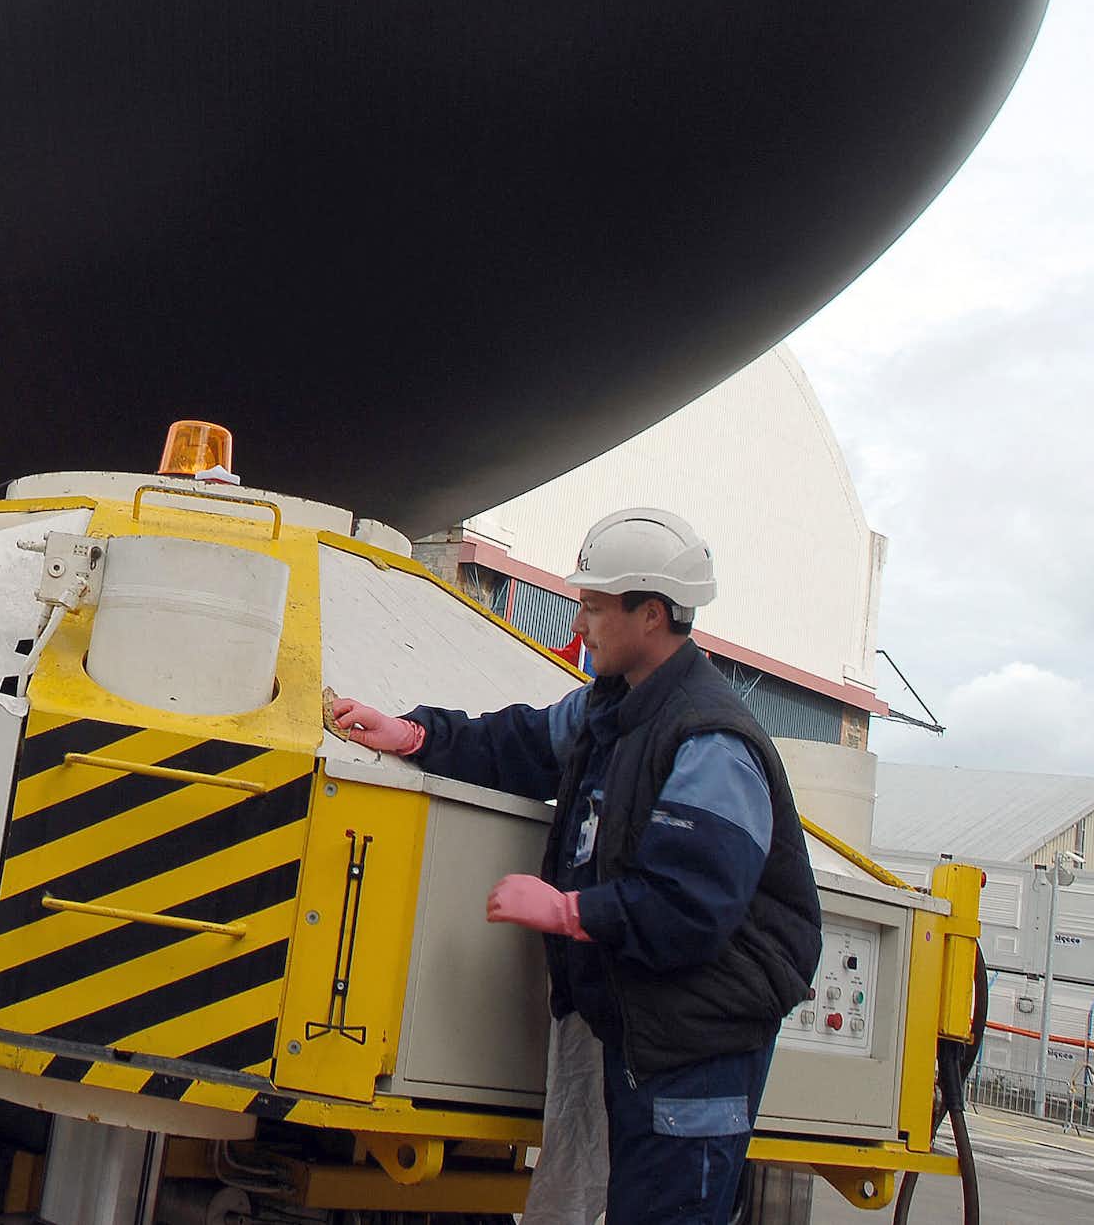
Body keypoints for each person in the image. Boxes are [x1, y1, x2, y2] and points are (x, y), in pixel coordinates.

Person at [329, 508, 823, 1225]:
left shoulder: (710, 741)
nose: (580, 621)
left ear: (650, 614)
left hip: (696, 1048)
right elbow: (524, 743)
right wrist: (416, 734)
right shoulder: (613, 707)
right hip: (638, 1032)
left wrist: (569, 911)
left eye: (593, 606)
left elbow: (691, 909)